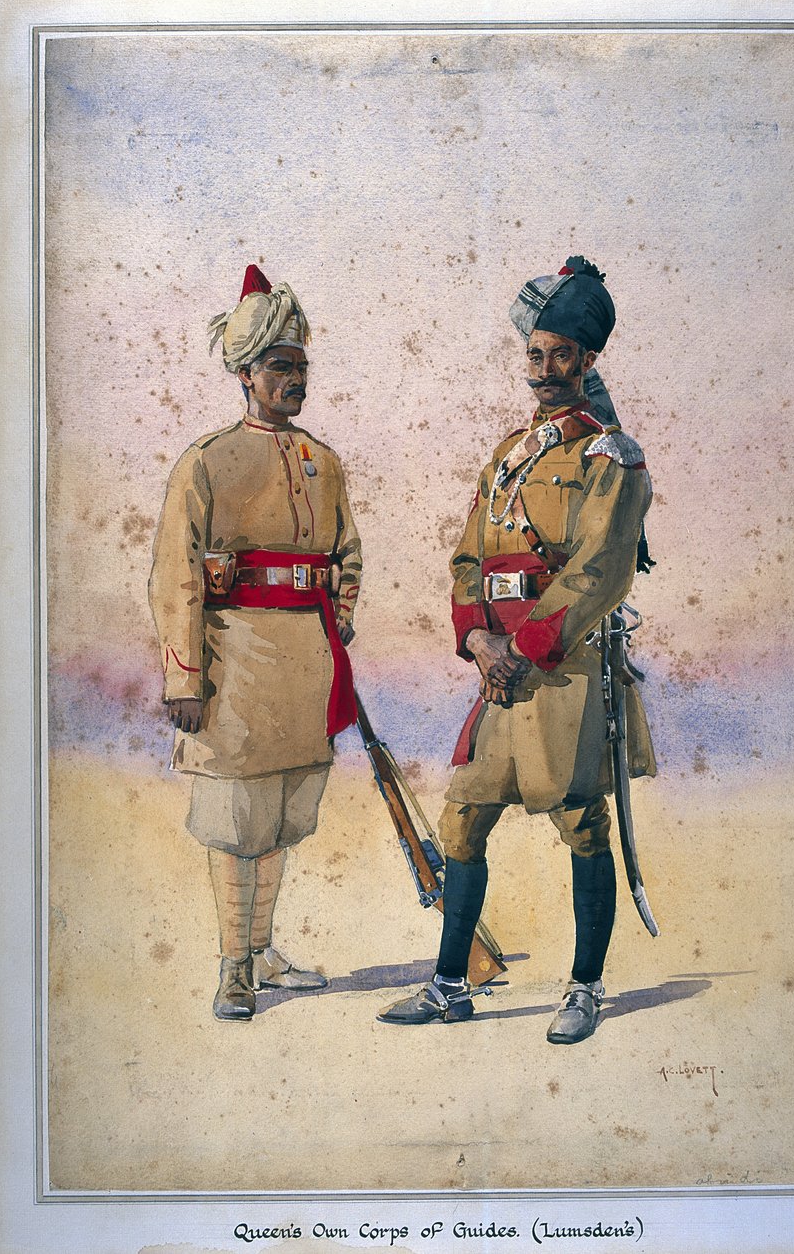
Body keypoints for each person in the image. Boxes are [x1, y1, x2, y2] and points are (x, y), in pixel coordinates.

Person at [378, 255, 656, 1044]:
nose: (543, 370)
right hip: (499, 671)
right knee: (462, 819)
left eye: (560, 355)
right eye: (534, 355)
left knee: (580, 824)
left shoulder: (610, 457)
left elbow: (600, 570)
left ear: (588, 359)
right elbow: (468, 557)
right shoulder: (507, 454)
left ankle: (586, 988)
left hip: (562, 669)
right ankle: (449, 986)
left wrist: (522, 649)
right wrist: (476, 638)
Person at [148, 265, 361, 1021]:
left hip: (306, 665)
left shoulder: (323, 462)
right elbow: (174, 575)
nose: (294, 379)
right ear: (245, 373)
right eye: (279, 366)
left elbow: (347, 556)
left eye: (301, 366)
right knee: (237, 819)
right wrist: (184, 677)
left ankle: (264, 949)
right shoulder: (206, 461)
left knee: (283, 815)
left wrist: (341, 620)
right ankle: (232, 966)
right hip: (232, 664)